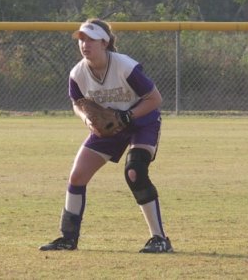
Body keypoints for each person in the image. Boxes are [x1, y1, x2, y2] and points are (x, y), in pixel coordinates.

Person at [39, 18, 173, 253]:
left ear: (105, 42)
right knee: (77, 175)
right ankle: (68, 238)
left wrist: (128, 117)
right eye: (81, 39)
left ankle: (159, 239)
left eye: (91, 39)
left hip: (141, 121)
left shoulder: (125, 67)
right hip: (109, 125)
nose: (85, 44)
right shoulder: (78, 73)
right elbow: (77, 103)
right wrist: (87, 119)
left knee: (135, 172)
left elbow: (155, 99)